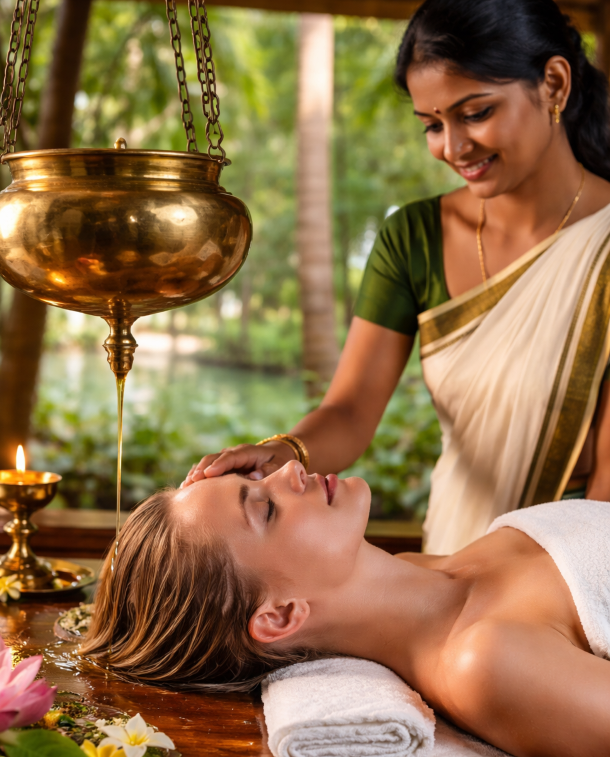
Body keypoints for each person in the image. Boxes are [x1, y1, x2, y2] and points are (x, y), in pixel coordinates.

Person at [182, 0, 610, 555]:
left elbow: (604, 498)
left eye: (476, 113)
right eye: (432, 124)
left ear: (553, 83)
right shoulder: (414, 238)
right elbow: (352, 411)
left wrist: (499, 595)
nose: (453, 148)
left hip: (577, 567)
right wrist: (288, 453)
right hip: (451, 545)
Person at [82, 463, 610, 757]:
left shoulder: (436, 570)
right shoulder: (486, 662)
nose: (290, 468)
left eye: (258, 477)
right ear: (281, 615)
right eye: (264, 507)